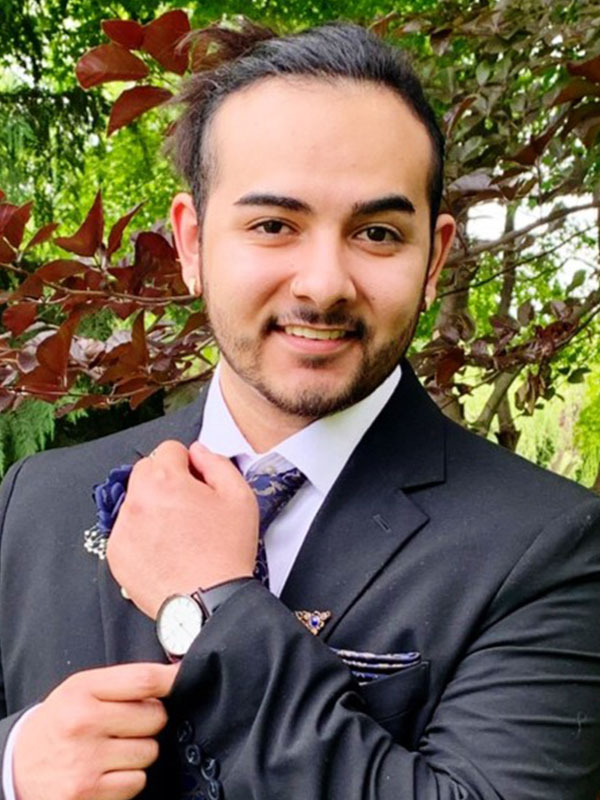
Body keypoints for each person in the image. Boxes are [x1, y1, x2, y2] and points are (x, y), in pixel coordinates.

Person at [0, 21, 599, 800]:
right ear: (190, 243)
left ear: (435, 258)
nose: (323, 284)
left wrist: (213, 603)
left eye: (378, 233)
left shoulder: (551, 549)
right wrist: (15, 765)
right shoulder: (32, 500)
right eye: (274, 225)